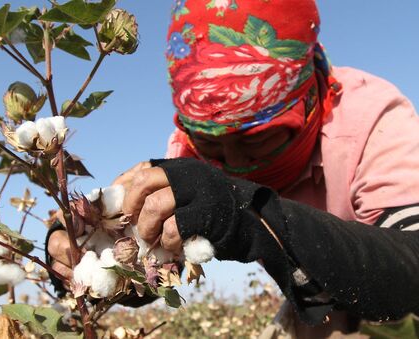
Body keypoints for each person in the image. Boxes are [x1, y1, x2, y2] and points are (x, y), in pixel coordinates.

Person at [47, 0, 419, 336]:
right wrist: (87, 258)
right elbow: (156, 268)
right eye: (212, 145)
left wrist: (248, 214)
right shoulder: (190, 153)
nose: (238, 164)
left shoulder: (372, 118)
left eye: (256, 139)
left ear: (306, 100)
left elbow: (411, 265)